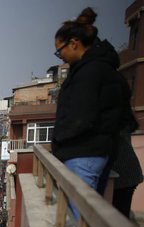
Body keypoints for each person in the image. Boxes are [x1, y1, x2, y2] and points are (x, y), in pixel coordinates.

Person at [52, 7, 131, 198]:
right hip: (93, 151)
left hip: (84, 154)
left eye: (59, 50)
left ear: (74, 43)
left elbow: (81, 117)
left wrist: (59, 140)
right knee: (86, 215)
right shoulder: (96, 67)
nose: (60, 56)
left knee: (82, 216)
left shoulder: (91, 72)